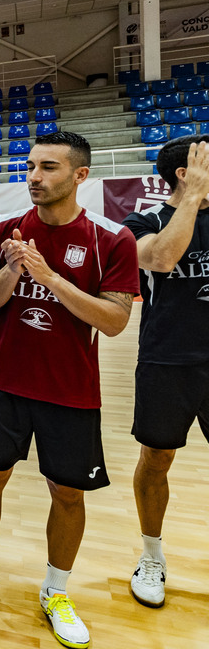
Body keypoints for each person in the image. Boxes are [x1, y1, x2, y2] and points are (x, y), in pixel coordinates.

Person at [0, 131, 138, 649]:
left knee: (67, 492)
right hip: (1, 381)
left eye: (49, 168)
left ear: (80, 175)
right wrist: (15, 270)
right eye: (32, 166)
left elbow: (114, 321)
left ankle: (56, 591)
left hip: (70, 390)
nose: (35, 177)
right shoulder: (5, 228)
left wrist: (51, 277)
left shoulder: (113, 238)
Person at [122, 137, 209, 608]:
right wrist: (193, 198)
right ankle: (151, 556)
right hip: (166, 359)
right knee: (157, 459)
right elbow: (160, 259)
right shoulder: (143, 221)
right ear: (185, 172)